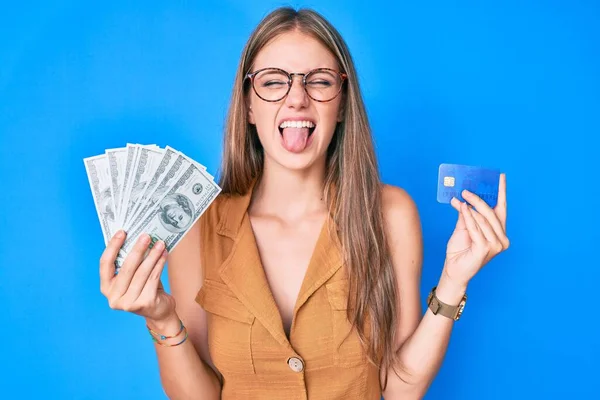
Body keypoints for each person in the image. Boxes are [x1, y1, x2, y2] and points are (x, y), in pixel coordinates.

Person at [98, 7, 509, 399]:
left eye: (319, 81)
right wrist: (162, 318)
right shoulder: (198, 225)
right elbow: (201, 396)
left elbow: (400, 390)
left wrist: (454, 282)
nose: (297, 98)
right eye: (274, 81)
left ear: (343, 102)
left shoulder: (390, 214)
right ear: (249, 106)